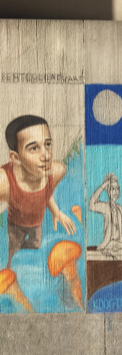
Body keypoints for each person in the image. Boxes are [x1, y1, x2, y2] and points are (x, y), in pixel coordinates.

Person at [0, 115, 76, 268]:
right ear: (16, 157)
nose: (47, 156)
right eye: (33, 148)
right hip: (15, 223)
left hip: (36, 223)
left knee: (35, 245)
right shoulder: (4, 182)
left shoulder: (57, 171)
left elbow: (45, 194)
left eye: (48, 144)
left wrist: (56, 212)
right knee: (14, 251)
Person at [88, 172, 122, 260]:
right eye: (112, 189)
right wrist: (104, 185)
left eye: (117, 189)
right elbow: (91, 204)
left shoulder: (120, 209)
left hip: (119, 246)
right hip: (108, 245)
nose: (116, 192)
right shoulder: (106, 207)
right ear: (107, 191)